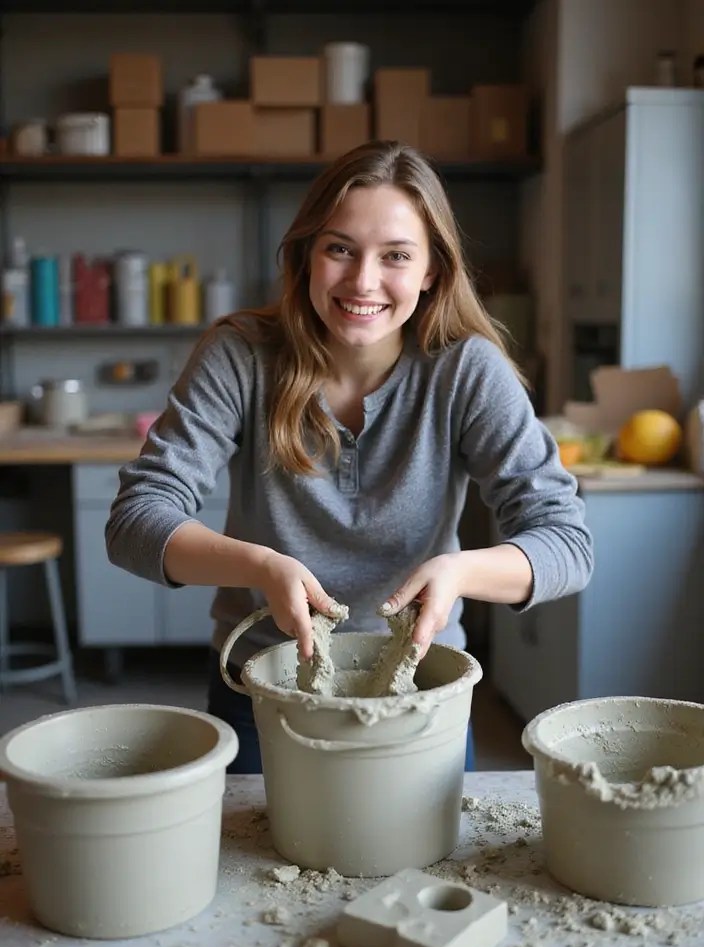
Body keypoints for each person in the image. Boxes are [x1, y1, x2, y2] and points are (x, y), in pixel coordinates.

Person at [105, 140, 593, 773]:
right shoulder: (240, 356)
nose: (363, 281)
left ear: (432, 272)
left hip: (423, 693)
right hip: (263, 690)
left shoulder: (468, 371)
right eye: (340, 248)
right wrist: (259, 567)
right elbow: (135, 521)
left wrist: (458, 572)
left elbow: (567, 542)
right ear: (307, 254)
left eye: (396, 256)